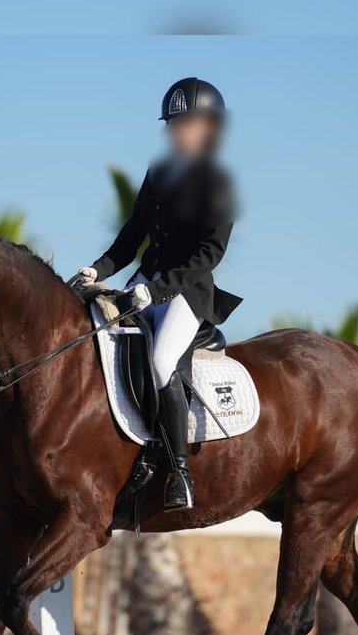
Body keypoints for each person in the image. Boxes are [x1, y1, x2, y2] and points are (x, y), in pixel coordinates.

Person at [69, 77, 241, 512]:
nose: (176, 130)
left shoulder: (217, 181)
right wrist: (98, 269)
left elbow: (210, 252)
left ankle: (178, 472)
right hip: (144, 286)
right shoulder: (159, 174)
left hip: (186, 293)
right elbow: (130, 241)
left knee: (163, 362)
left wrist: (158, 290)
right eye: (173, 122)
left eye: (185, 122)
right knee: (98, 340)